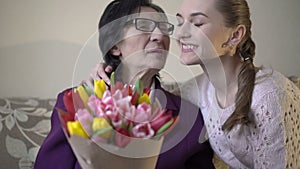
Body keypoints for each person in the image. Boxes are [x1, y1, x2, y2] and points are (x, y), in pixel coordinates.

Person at [94, 0, 300, 168]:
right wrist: (106, 76)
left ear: (235, 35)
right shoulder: (196, 92)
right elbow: (152, 91)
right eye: (180, 23)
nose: (180, 34)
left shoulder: (269, 94)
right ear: (114, 46)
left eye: (197, 23)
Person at [34, 0, 215, 169]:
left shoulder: (189, 115)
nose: (159, 36)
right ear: (114, 46)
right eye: (143, 26)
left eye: (164, 28)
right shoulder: (76, 103)